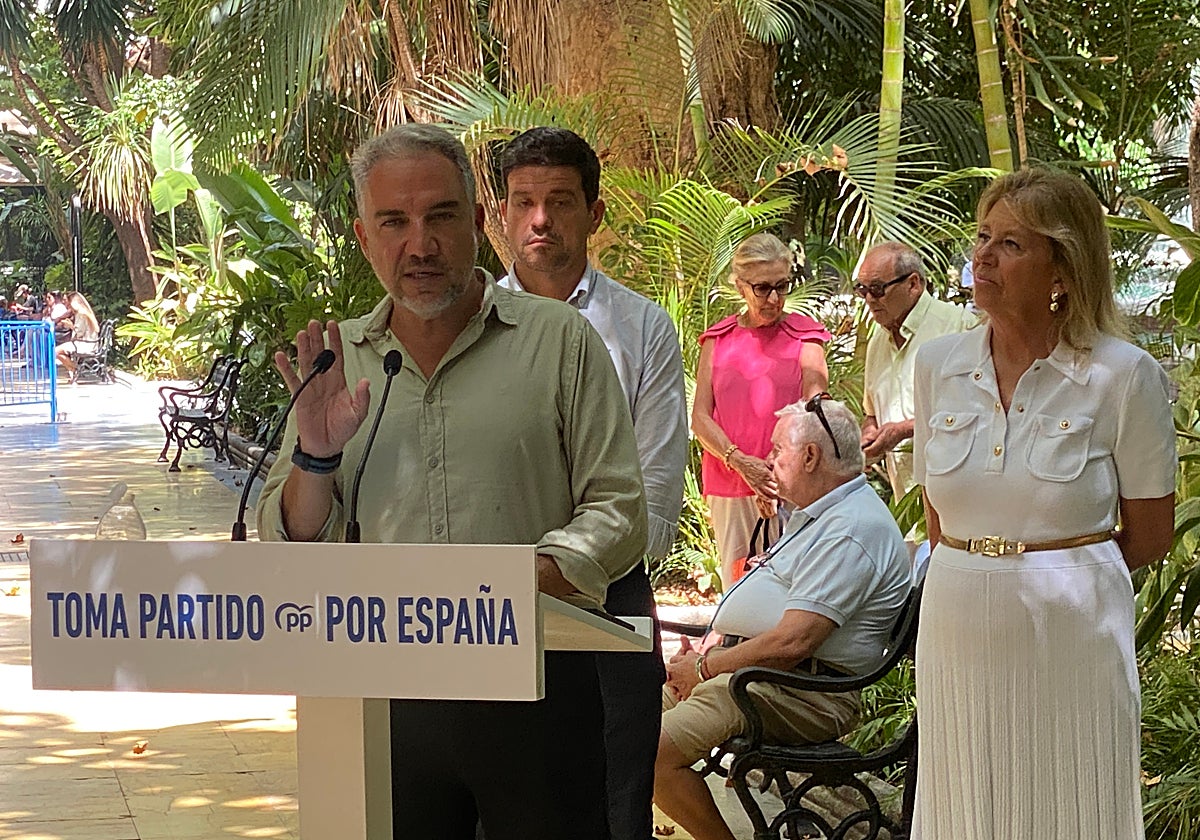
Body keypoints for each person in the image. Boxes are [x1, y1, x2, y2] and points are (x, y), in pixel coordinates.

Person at [255, 124, 648, 840]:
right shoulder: (339, 364)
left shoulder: (559, 341)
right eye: (394, 223)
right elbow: (293, 538)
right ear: (363, 236)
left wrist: (517, 581)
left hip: (536, 686)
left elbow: (618, 508)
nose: (420, 244)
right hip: (381, 699)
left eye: (439, 217)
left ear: (474, 222)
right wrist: (314, 458)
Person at [912, 168, 1176, 839]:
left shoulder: (1123, 376)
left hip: (1073, 642)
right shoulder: (938, 365)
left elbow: (1150, 533)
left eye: (1010, 244)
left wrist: (1061, 572)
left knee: (1074, 802)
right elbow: (940, 523)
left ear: (1063, 267)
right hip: (956, 629)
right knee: (965, 801)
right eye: (981, 237)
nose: (983, 256)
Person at [497, 126, 688, 840]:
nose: (540, 219)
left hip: (610, 599)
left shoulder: (642, 329)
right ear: (503, 216)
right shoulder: (465, 325)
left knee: (615, 804)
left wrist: (573, 567)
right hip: (494, 603)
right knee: (503, 798)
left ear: (594, 213)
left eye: (559, 201)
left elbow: (656, 487)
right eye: (524, 202)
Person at [654, 396, 911, 840]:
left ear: (810, 456)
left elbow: (793, 643)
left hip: (806, 691)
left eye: (777, 451)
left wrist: (704, 667)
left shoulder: (851, 528)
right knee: (630, 716)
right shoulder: (824, 514)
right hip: (767, 678)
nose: (769, 460)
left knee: (651, 751)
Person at [692, 232, 831, 590]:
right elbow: (701, 417)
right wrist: (741, 462)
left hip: (792, 484)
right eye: (762, 288)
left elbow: (815, 414)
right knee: (738, 586)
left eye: (782, 286)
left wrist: (777, 477)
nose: (774, 298)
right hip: (730, 483)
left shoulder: (806, 337)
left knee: (794, 586)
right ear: (740, 286)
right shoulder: (717, 340)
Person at [858, 242, 976, 499]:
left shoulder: (958, 328)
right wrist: (870, 434)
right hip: (906, 502)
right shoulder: (878, 340)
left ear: (913, 284)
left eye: (877, 289)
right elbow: (871, 413)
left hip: (958, 497)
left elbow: (978, 413)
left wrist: (903, 430)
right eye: (862, 289)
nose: (868, 299)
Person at [55, 291, 100, 381]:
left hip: (86, 344)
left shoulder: (81, 314)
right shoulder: (84, 313)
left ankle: (76, 369)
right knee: (56, 351)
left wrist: (70, 326)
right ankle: (75, 370)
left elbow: (79, 332)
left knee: (55, 352)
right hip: (86, 342)